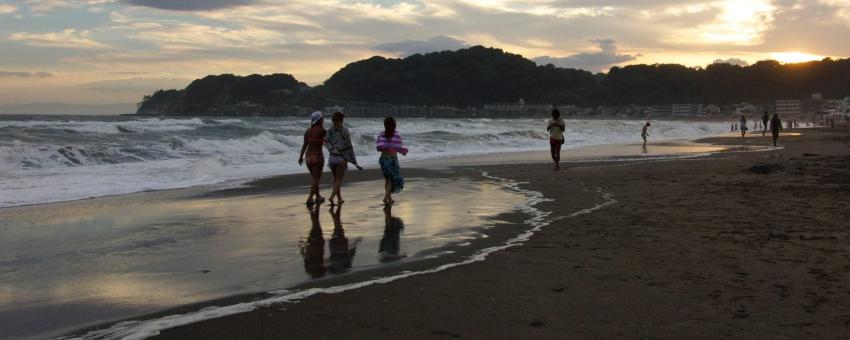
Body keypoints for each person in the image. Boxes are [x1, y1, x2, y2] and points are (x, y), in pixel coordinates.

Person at [324, 111, 363, 205]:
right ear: (342, 120)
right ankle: (332, 196)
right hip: (341, 159)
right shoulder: (345, 130)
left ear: (333, 120)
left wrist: (332, 149)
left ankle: (339, 198)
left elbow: (325, 142)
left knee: (335, 180)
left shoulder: (329, 130)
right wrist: (354, 162)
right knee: (339, 181)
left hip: (332, 158)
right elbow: (349, 147)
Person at [376, 117, 408, 205]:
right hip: (393, 159)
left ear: (385, 125)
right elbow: (399, 147)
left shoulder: (381, 134)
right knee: (391, 181)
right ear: (394, 125)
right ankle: (386, 197)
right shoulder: (397, 134)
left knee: (387, 180)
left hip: (383, 159)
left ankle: (389, 200)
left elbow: (379, 148)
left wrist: (387, 146)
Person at [298, 111, 326, 205]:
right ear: (319, 120)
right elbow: (330, 141)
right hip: (317, 157)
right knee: (316, 179)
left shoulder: (307, 131)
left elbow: (305, 145)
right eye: (322, 119)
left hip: (308, 158)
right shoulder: (322, 131)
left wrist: (300, 156)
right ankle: (310, 198)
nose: (323, 120)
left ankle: (318, 197)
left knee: (314, 179)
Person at [327, 204, 359, 275]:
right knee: (338, 229)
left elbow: (351, 255)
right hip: (336, 249)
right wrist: (355, 245)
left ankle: (334, 214)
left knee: (338, 229)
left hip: (337, 250)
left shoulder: (343, 266)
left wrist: (355, 245)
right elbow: (351, 255)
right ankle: (334, 214)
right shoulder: (344, 266)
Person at [299, 205, 326, 278]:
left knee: (316, 225)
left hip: (315, 244)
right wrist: (302, 247)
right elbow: (305, 257)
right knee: (316, 225)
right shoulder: (312, 266)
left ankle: (312, 210)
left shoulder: (313, 266)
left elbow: (305, 257)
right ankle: (314, 210)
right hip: (315, 245)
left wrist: (302, 247)